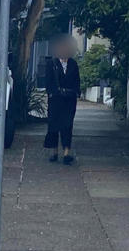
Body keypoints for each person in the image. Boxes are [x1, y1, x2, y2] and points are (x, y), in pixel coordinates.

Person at [44, 35, 80, 165]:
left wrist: (75, 93)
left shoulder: (73, 64)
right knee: (53, 126)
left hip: (69, 100)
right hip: (56, 100)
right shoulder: (51, 64)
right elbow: (48, 82)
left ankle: (66, 152)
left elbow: (77, 81)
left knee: (67, 126)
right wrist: (53, 93)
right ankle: (53, 151)